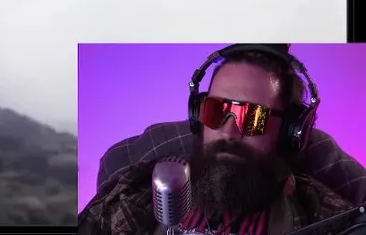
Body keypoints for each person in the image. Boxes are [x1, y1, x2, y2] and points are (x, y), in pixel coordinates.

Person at [79, 45, 362, 235]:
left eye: (252, 118)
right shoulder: (129, 202)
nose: (228, 132)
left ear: (290, 132)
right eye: (216, 111)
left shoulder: (331, 222)